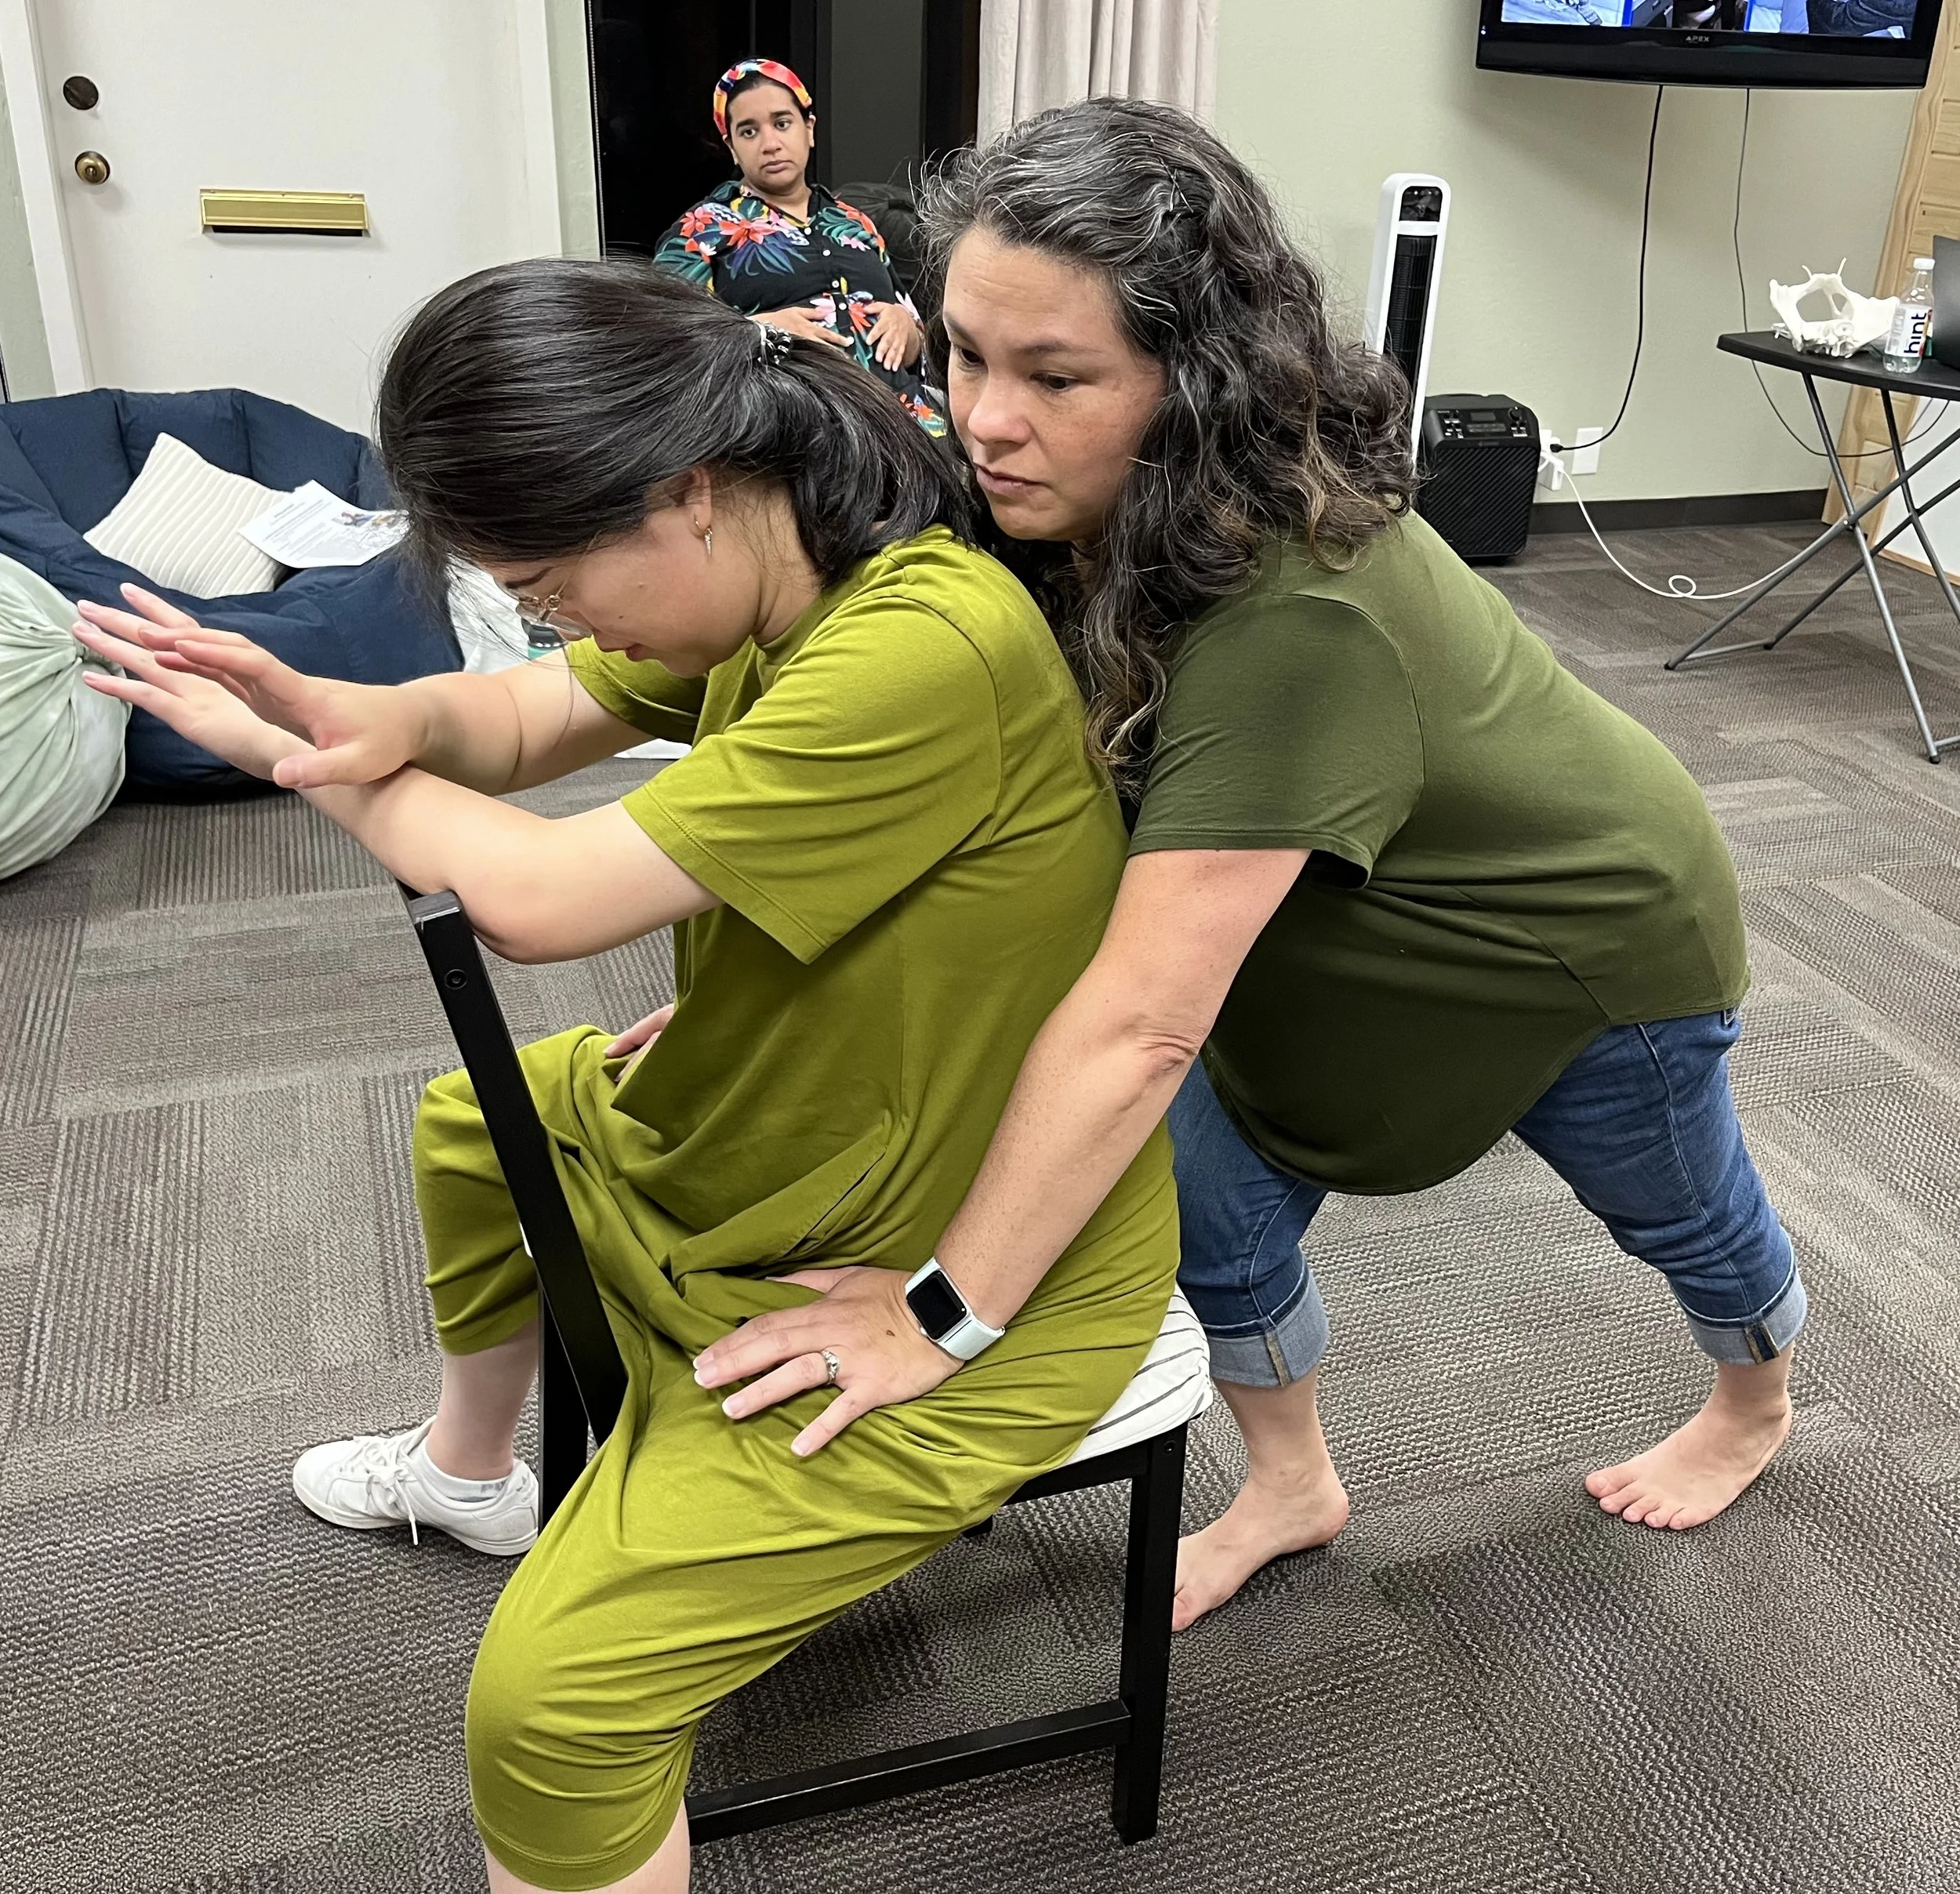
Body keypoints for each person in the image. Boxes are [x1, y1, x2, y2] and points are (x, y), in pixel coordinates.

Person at [70, 259, 1175, 1893]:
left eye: (553, 577)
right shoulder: (780, 572)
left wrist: (296, 764)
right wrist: (353, 709)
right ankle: (467, 1472)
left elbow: (534, 898)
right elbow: (519, 723)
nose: (557, 618)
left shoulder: (919, 642)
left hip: (945, 1249)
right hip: (767, 1125)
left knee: (553, 1702)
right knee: (475, 1119)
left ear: (689, 490)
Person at [692, 99, 1805, 1635]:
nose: (984, 417)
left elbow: (1139, 1017)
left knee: (1675, 1211)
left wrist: (941, 1312)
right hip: (1310, 916)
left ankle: (1755, 1398)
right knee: (1205, 1192)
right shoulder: (1056, 494)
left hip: (1576, 947)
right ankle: (1290, 1482)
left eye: (1054, 375)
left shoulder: (1296, 608)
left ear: (1196, 385)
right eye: (961, 353)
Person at [655, 56, 948, 437]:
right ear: (731, 147)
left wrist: (908, 331)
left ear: (808, 129)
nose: (770, 144)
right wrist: (756, 331)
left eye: (782, 123)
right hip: (795, 432)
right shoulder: (700, 230)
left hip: (906, 421)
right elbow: (667, 341)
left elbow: (918, 331)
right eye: (749, 132)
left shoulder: (854, 223)